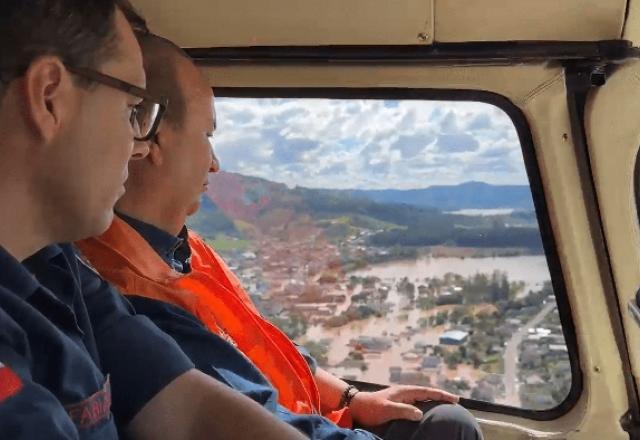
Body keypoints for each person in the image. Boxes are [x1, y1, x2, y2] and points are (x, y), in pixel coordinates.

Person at [76, 28, 484, 440]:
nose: (215, 164)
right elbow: (253, 423)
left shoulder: (182, 249)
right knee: (451, 429)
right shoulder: (133, 293)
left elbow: (263, 347)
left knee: (443, 419)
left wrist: (350, 398)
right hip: (289, 428)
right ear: (152, 136)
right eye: (207, 136)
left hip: (304, 418)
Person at [0, 1, 308, 439]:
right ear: (49, 96)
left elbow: (188, 409)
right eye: (132, 111)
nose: (139, 146)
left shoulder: (56, 265)